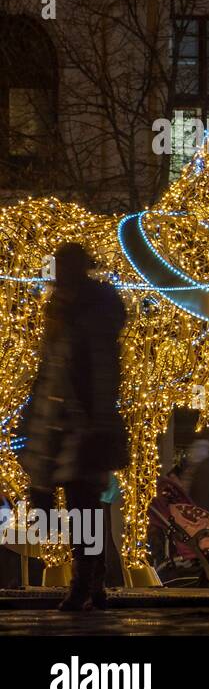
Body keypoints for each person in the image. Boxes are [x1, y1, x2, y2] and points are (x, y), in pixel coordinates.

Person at [19, 243, 128, 612]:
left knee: (83, 506)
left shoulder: (85, 314)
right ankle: (91, 577)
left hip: (79, 424)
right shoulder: (70, 311)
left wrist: (92, 419)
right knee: (79, 506)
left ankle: (87, 580)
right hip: (62, 424)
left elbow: (93, 371)